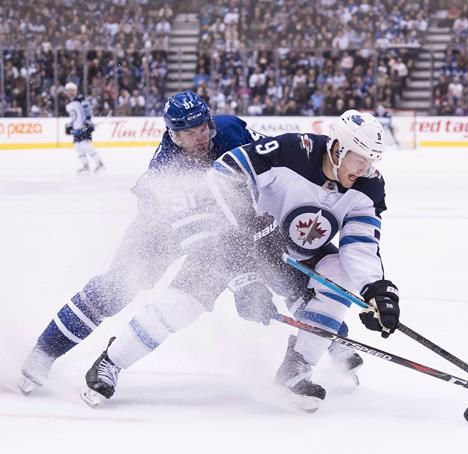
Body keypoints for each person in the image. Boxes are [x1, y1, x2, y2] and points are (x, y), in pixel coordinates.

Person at [18, 90, 265, 396]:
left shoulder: (231, 129)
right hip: (159, 230)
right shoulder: (166, 169)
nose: (201, 137)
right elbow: (201, 242)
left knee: (188, 300)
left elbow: (276, 160)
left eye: (203, 127)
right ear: (174, 135)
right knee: (116, 288)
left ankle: (115, 358)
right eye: (190, 132)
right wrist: (242, 278)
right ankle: (44, 351)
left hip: (222, 225)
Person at [208, 110, 401, 411]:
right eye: (360, 158)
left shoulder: (369, 186)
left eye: (372, 160)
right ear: (338, 149)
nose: (366, 168)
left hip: (306, 253)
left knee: (342, 276)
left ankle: (298, 366)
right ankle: (331, 337)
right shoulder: (293, 150)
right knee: (302, 297)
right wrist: (250, 224)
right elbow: (226, 170)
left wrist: (375, 289)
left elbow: (360, 244)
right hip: (257, 246)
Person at [63, 82, 105, 174]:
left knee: (87, 146)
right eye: (69, 91)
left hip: (83, 127)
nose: (70, 92)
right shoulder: (67, 103)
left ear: (75, 91)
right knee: (78, 147)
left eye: (72, 90)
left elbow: (87, 110)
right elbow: (74, 116)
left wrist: (88, 121)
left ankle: (99, 164)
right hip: (76, 129)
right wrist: (70, 125)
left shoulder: (80, 99)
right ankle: (85, 166)